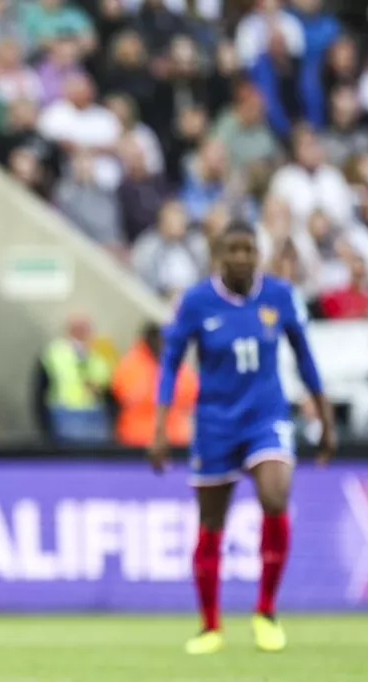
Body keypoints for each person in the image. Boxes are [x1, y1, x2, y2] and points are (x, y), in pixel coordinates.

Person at [152, 221, 335, 655]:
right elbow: (171, 362)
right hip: (215, 423)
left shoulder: (279, 296)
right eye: (232, 250)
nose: (240, 258)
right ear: (218, 255)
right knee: (211, 523)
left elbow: (304, 357)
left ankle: (266, 612)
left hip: (265, 417)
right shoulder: (196, 302)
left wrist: (325, 417)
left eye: (248, 249)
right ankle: (210, 626)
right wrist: (159, 428)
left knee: (275, 495)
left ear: (259, 254)